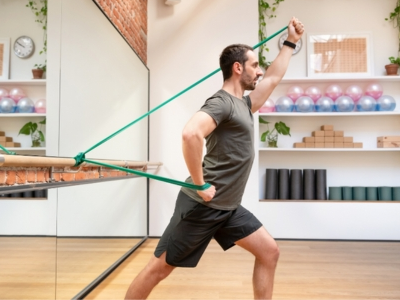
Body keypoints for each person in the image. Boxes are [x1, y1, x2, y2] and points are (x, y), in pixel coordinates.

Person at [125, 17, 305, 300]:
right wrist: (199, 184)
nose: (259, 72)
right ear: (238, 68)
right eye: (255, 65)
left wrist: (291, 41)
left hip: (228, 208)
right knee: (158, 269)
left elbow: (273, 78)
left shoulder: (244, 104)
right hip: (201, 207)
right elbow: (190, 134)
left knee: (269, 251)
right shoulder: (221, 103)